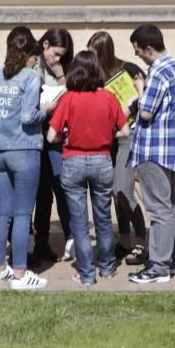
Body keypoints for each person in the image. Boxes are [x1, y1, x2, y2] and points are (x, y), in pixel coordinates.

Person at [47, 51, 129, 286]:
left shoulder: (69, 98)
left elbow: (51, 135)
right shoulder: (109, 97)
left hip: (73, 161)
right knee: (103, 218)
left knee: (79, 222)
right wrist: (106, 133)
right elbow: (125, 131)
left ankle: (86, 273)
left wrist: (66, 134)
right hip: (102, 159)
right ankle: (106, 267)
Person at [0, 26, 52, 291]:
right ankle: (21, 274)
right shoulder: (30, 79)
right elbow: (28, 117)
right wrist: (46, 110)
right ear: (28, 53)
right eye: (34, 55)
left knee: (3, 212)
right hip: (24, 151)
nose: (36, 61)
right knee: (23, 214)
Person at [127, 25, 175, 284]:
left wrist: (140, 89)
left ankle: (159, 266)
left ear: (149, 49)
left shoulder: (158, 73)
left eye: (139, 51)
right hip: (172, 149)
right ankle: (173, 260)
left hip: (155, 150)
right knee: (171, 205)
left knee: (158, 210)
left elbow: (146, 112)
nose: (139, 56)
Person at [87, 31, 147, 266]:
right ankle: (124, 239)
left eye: (93, 52)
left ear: (103, 52)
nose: (91, 57)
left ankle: (141, 240)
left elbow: (148, 95)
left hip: (129, 136)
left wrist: (129, 110)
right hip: (107, 140)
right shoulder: (95, 77)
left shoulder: (129, 69)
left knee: (124, 190)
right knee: (115, 192)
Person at [32, 28, 74, 263]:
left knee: (62, 186)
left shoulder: (62, 69)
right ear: (45, 44)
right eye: (55, 53)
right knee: (41, 192)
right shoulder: (32, 63)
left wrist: (60, 74)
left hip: (57, 135)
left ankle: (71, 240)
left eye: (62, 55)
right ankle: (40, 242)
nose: (56, 59)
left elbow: (71, 97)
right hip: (36, 132)